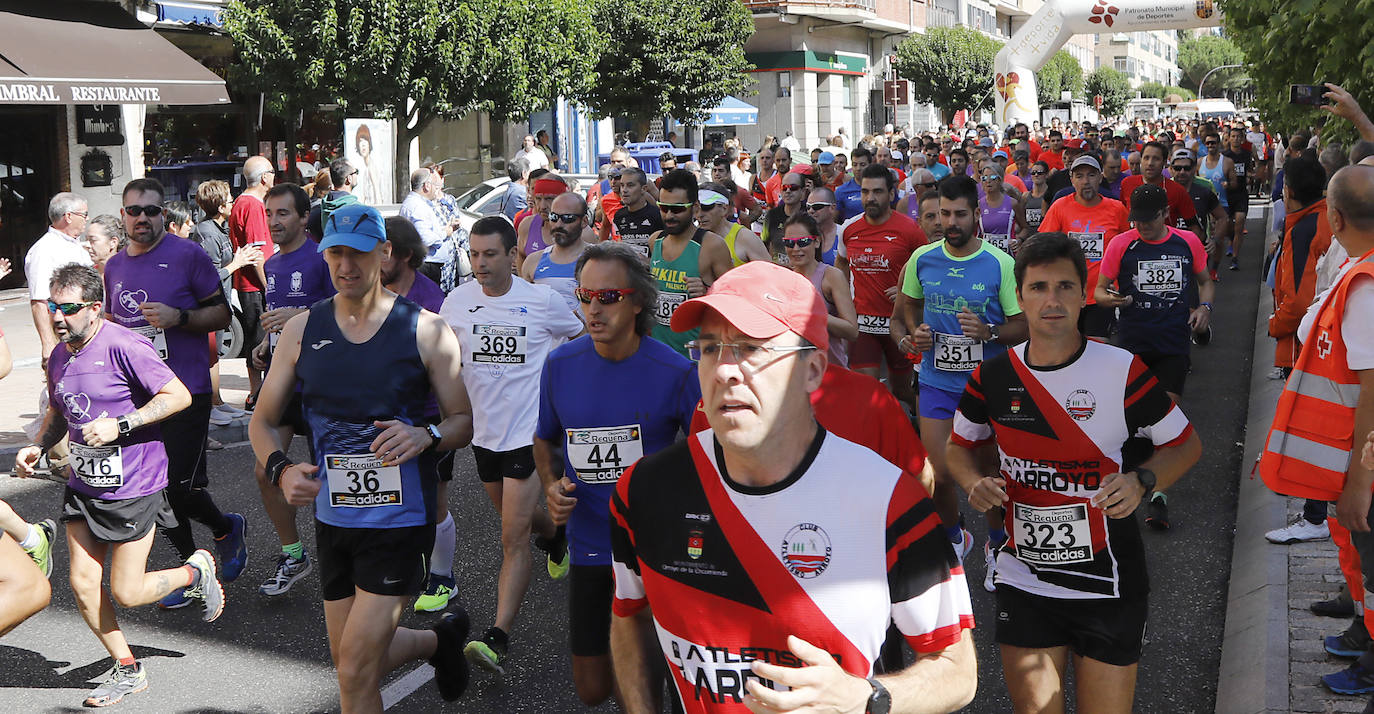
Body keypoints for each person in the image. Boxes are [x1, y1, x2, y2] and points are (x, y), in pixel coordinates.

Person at [610, 260, 978, 714]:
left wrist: (866, 698)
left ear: (813, 370)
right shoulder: (643, 490)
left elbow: (957, 669)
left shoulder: (889, 500)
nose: (724, 370)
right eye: (709, 348)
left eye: (751, 348)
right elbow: (629, 614)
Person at [949, 233, 1201, 713]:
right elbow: (959, 447)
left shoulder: (1121, 369)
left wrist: (1142, 481)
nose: (1052, 300)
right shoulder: (993, 377)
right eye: (1038, 288)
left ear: (1084, 294)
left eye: (1065, 286)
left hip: (1109, 581)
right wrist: (972, 483)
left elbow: (1186, 444)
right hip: (1024, 579)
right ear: (1019, 297)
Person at [248, 202, 475, 709]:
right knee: (352, 662)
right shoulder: (302, 330)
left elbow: (463, 420)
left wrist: (426, 435)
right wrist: (281, 470)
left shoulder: (426, 329)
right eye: (336, 255)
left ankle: (437, 641)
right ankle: (439, 642)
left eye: (358, 254)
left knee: (353, 669)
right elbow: (261, 422)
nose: (346, 266)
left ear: (385, 252)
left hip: (400, 520)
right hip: (335, 518)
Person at [16, 263, 226, 707]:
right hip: (84, 484)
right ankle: (127, 668)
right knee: (83, 583)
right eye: (53, 306)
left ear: (95, 308)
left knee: (127, 593)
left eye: (68, 308)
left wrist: (122, 424)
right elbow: (60, 411)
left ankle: (195, 572)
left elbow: (178, 396)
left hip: (135, 483)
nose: (57, 316)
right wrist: (38, 445)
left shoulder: (125, 345)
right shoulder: (60, 355)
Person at [534, 241, 702, 707]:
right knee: (592, 690)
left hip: (653, 549)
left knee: (647, 688)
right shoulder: (560, 365)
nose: (593, 309)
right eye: (585, 296)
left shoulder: (675, 372)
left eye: (608, 297)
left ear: (638, 301)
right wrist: (550, 485)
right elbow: (544, 437)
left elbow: (707, 454)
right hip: (589, 541)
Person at [439, 216, 583, 674]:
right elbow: (439, 356)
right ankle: (556, 535)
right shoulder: (456, 302)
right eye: (474, 254)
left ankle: (497, 637)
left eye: (490, 254)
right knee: (513, 520)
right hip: (483, 434)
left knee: (511, 537)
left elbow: (580, 338)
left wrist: (563, 394)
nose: (480, 263)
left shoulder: (542, 301)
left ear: (512, 256)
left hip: (530, 432)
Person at [1258, 165, 1374, 701]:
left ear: (1337, 218)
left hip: (1361, 462)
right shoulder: (1358, 272)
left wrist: (1359, 484)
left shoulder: (1364, 286)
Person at [105, 178, 246, 606]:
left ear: (163, 214)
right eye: (134, 211)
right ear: (124, 215)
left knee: (178, 489)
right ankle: (192, 570)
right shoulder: (114, 266)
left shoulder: (188, 255)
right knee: (154, 489)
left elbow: (221, 314)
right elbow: (111, 325)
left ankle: (225, 528)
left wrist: (179, 317)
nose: (142, 218)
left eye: (151, 210)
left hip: (186, 389)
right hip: (136, 396)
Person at [900, 175, 1027, 592]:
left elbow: (1021, 326)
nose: (950, 223)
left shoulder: (1000, 263)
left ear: (976, 214)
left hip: (985, 386)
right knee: (937, 474)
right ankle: (956, 537)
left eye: (959, 214)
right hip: (936, 381)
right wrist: (915, 333)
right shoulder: (922, 259)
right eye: (943, 214)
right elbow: (908, 308)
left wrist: (989, 332)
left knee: (987, 474)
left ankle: (997, 545)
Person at [1095, 183, 1213, 530]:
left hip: (1173, 344)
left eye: (1149, 219)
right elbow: (1099, 290)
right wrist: (1111, 299)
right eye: (1137, 219)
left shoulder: (1187, 242)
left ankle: (1159, 495)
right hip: (1133, 345)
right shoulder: (1121, 244)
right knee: (1133, 423)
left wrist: (1205, 308)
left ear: (1166, 214)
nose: (1142, 226)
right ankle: (1127, 484)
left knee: (1164, 417)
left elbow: (1206, 281)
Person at [244, 183, 338, 597]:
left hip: (321, 380)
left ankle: (343, 550)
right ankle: (293, 553)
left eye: (283, 213)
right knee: (266, 469)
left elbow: (344, 307)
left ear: (303, 217)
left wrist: (300, 314)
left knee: (331, 474)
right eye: (269, 214)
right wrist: (266, 345)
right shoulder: (273, 264)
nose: (274, 221)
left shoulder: (322, 257)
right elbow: (277, 319)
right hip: (283, 381)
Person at [844, 163, 925, 409]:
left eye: (877, 191)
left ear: (891, 194)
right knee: (867, 390)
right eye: (865, 191)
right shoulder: (849, 229)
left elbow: (927, 270)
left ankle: (919, 422)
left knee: (903, 389)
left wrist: (904, 290)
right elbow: (840, 262)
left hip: (898, 323)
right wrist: (842, 298)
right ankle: (881, 430)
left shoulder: (909, 230)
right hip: (863, 325)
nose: (870, 198)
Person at [1038, 155, 1131, 339]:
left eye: (1091, 175)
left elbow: (1128, 248)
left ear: (1100, 177)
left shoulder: (1117, 209)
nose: (1086, 181)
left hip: (1102, 295)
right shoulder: (1059, 207)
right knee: (1067, 346)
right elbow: (1043, 247)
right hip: (1067, 293)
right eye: (1079, 176)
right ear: (1072, 180)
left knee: (1097, 346)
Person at [193, 181, 261, 425]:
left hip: (220, 303)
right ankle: (211, 405)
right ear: (221, 207)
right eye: (230, 200)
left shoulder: (218, 229)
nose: (233, 203)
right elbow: (209, 276)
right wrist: (237, 263)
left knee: (215, 357)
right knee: (209, 357)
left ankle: (218, 401)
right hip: (209, 305)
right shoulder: (207, 234)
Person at [649, 170, 733, 359]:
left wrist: (708, 293)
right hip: (659, 355)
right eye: (664, 208)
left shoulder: (712, 245)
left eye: (677, 209)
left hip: (696, 360)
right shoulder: (655, 241)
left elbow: (734, 301)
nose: (669, 215)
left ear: (695, 208)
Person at [229, 156, 278, 405]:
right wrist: (269, 287)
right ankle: (257, 394)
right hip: (255, 285)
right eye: (272, 171)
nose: (274, 176)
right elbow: (257, 253)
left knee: (256, 338)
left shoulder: (242, 202)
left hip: (249, 284)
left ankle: (256, 393)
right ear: (264, 177)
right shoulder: (252, 205)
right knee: (259, 340)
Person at [25, 192, 93, 370]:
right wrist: (48, 344)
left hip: (87, 329)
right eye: (84, 214)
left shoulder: (77, 245)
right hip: (66, 333)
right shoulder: (44, 250)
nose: (87, 219)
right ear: (68, 216)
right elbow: (39, 300)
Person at [783, 212, 857, 367]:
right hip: (796, 372)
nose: (795, 248)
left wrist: (813, 314)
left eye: (803, 242)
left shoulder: (831, 276)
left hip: (830, 370)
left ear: (816, 242)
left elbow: (851, 331)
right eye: (789, 243)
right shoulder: (785, 279)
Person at [520, 191, 593, 311]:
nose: (559, 224)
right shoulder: (533, 261)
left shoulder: (598, 260)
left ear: (584, 221)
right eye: (553, 217)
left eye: (567, 218)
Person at [400, 168, 459, 286]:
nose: (436, 189)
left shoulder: (416, 203)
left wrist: (442, 231)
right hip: (425, 266)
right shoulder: (418, 206)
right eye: (434, 185)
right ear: (427, 186)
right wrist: (445, 233)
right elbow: (425, 238)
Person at [697, 183, 769, 267]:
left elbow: (769, 272)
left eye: (706, 208)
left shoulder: (745, 238)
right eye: (696, 209)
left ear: (724, 209)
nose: (699, 215)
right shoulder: (691, 238)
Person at [610, 168, 663, 260]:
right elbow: (619, 242)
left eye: (630, 185)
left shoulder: (657, 215)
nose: (624, 190)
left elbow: (667, 254)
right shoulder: (619, 216)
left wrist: (647, 261)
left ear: (643, 189)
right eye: (622, 185)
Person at [978, 159, 1030, 254]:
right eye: (984, 178)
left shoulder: (1012, 203)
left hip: (1008, 254)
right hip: (987, 255)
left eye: (992, 177)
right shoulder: (979, 205)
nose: (988, 181)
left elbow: (1025, 228)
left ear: (1000, 180)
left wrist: (1018, 240)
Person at [1222, 127, 1256, 270]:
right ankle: (1231, 240)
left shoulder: (1246, 154)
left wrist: (1250, 176)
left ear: (1242, 139)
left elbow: (1250, 170)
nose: (1236, 139)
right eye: (1233, 136)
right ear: (1229, 138)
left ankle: (1235, 258)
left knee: (1240, 223)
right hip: (1227, 194)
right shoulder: (1224, 156)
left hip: (1241, 193)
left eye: (1238, 136)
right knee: (1228, 225)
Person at [306, 158, 361, 239]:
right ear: (349, 178)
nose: (357, 174)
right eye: (356, 172)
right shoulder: (360, 211)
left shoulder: (324, 206)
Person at [805, 186, 845, 269]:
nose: (811, 211)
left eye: (817, 206)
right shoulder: (803, 236)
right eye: (808, 207)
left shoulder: (844, 234)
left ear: (832, 208)